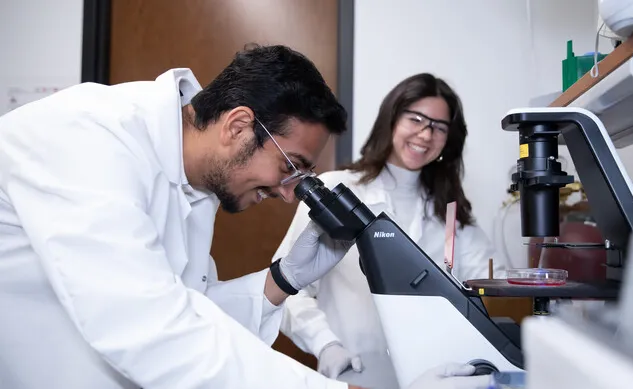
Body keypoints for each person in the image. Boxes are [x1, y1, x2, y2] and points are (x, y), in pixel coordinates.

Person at [0, 45, 492, 389]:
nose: (286, 194)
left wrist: (282, 279)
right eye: (289, 167)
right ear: (239, 126)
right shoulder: (86, 136)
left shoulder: (196, 186)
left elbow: (194, 309)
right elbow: (150, 328)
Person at [272, 73, 505, 388]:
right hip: (354, 375)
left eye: (439, 127)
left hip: (434, 377)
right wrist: (325, 344)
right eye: (417, 119)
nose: (425, 134)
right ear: (392, 118)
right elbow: (286, 289)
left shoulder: (451, 214)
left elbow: (493, 281)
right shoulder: (335, 189)